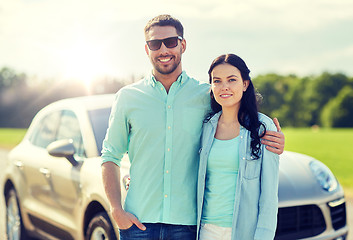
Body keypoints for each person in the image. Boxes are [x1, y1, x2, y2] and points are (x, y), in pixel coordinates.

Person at [101, 14, 284, 240]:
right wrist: (116, 210)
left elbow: (237, 119)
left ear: (182, 44)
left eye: (170, 42)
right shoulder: (128, 98)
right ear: (146, 49)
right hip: (138, 223)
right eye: (154, 44)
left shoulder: (206, 95)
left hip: (189, 227)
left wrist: (272, 137)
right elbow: (110, 155)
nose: (163, 50)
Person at [197, 54, 279, 240]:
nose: (224, 87)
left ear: (245, 84)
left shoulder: (263, 128)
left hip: (244, 233)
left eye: (231, 80)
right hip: (205, 231)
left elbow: (269, 197)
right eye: (217, 81)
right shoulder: (205, 128)